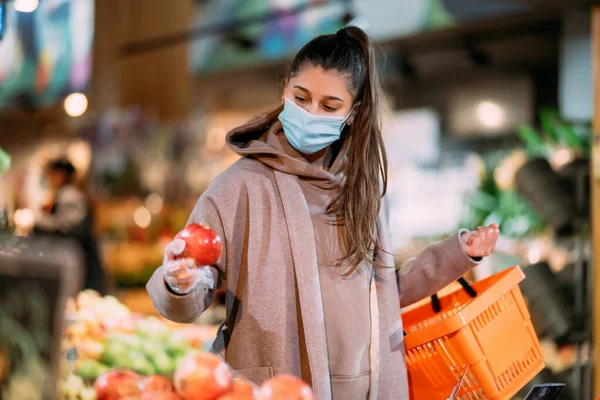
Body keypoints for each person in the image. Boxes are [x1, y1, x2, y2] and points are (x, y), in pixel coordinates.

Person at [147, 26, 499, 400]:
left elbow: (380, 296)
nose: (311, 113)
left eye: (330, 106)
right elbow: (190, 295)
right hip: (279, 389)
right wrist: (178, 282)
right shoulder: (239, 187)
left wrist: (455, 255)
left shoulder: (360, 189)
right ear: (285, 89)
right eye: (301, 98)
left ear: (353, 112)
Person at [35, 158, 107, 294]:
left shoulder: (69, 196)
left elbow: (65, 227)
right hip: (80, 260)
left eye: (50, 174)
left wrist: (37, 223)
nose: (48, 178)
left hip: (81, 262)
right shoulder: (68, 194)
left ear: (60, 174)